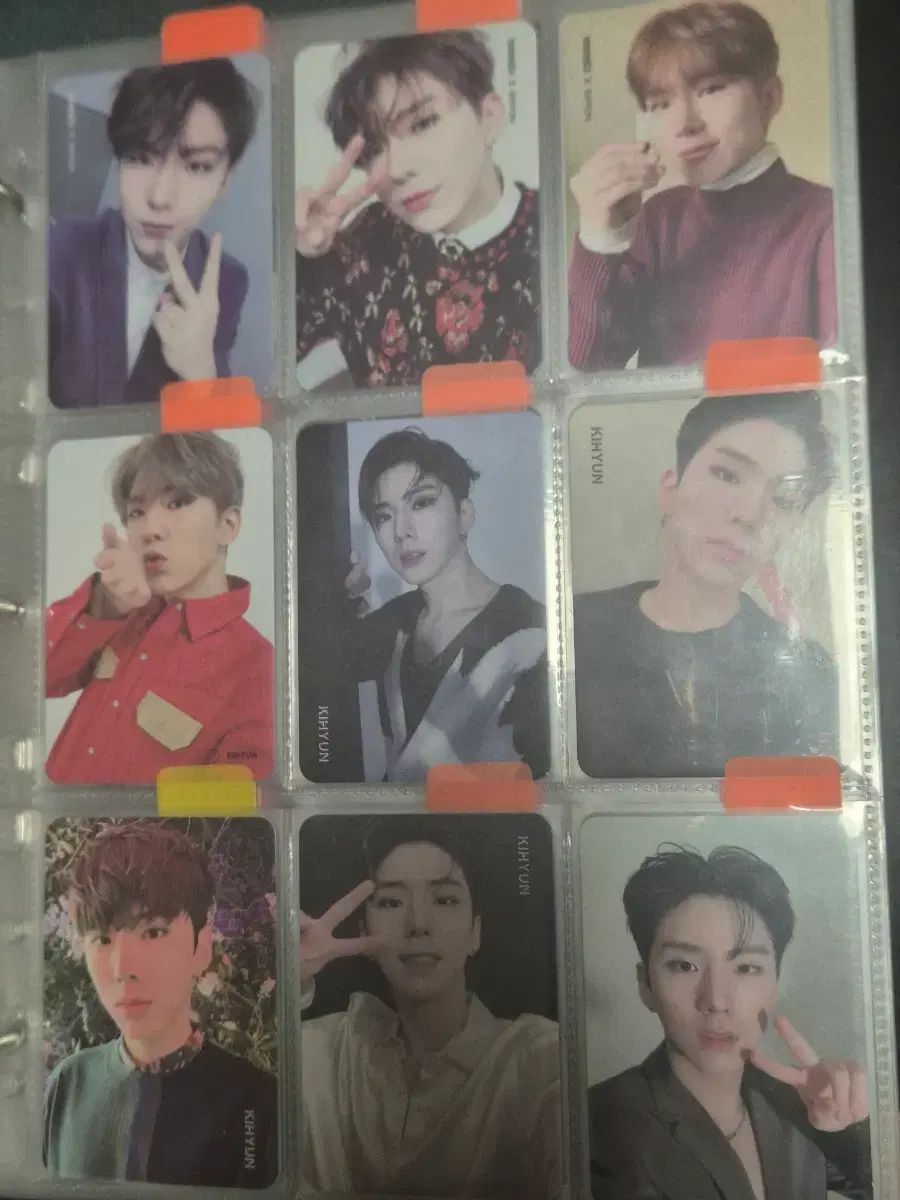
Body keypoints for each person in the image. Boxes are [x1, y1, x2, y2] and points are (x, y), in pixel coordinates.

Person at [574, 391, 837, 777]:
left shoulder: (808, 674)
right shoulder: (571, 626)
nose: (750, 514)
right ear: (670, 489)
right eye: (727, 475)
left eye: (783, 499)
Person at [588, 846, 872, 1199]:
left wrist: (847, 1126)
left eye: (746, 968)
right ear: (646, 985)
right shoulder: (599, 1123)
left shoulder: (796, 1106)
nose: (717, 1000)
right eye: (684, 966)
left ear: (774, 986)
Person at [299, 815, 561, 1197]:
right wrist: (290, 977)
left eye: (445, 899)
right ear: (363, 932)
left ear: (475, 932)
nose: (418, 923)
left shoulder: (539, 1057)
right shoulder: (319, 1050)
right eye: (391, 902)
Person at [568, 1, 836, 370]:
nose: (685, 124)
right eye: (661, 104)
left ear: (768, 99)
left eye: (710, 89)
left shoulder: (828, 218)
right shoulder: (659, 220)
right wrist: (600, 238)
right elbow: (586, 368)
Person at [295, 31, 541, 390]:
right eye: (374, 149)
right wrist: (304, 256)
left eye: (423, 123)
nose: (397, 169)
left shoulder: (561, 233)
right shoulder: (365, 241)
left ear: (489, 117)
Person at [43, 823, 278, 1187]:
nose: (123, 969)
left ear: (202, 947)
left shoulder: (256, 1098)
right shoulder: (68, 1084)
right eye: (102, 939)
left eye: (153, 932)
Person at [45, 432, 273, 783]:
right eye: (137, 511)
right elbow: (31, 680)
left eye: (177, 502)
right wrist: (105, 605)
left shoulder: (260, 671)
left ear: (227, 525)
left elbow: (232, 812)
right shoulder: (115, 613)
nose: (149, 529)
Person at [333, 427, 548, 779]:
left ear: (464, 515)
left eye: (421, 503)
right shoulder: (393, 623)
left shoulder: (529, 632)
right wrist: (339, 597)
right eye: (384, 516)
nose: (401, 531)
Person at [49, 59, 257, 408]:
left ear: (224, 180)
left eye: (196, 166)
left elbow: (207, 429)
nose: (159, 198)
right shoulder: (60, 251)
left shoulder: (228, 281)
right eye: (140, 158)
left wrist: (202, 374)